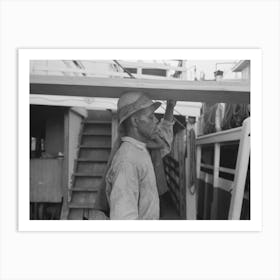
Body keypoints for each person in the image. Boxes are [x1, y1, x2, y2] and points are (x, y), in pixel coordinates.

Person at [103, 91, 175, 220]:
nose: (156, 120)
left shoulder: (141, 149)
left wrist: (170, 107)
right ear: (135, 121)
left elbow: (163, 142)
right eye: (150, 117)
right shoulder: (127, 162)